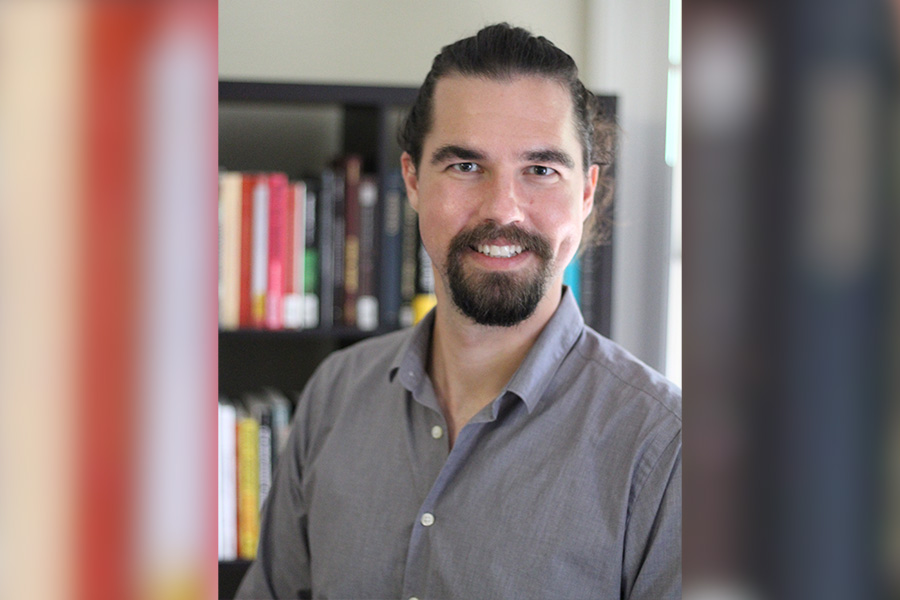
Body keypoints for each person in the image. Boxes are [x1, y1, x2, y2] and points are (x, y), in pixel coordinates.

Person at [236, 23, 681, 600]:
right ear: (413, 181)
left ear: (587, 192)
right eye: (466, 166)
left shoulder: (665, 449)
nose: (504, 210)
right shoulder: (335, 396)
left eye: (541, 170)